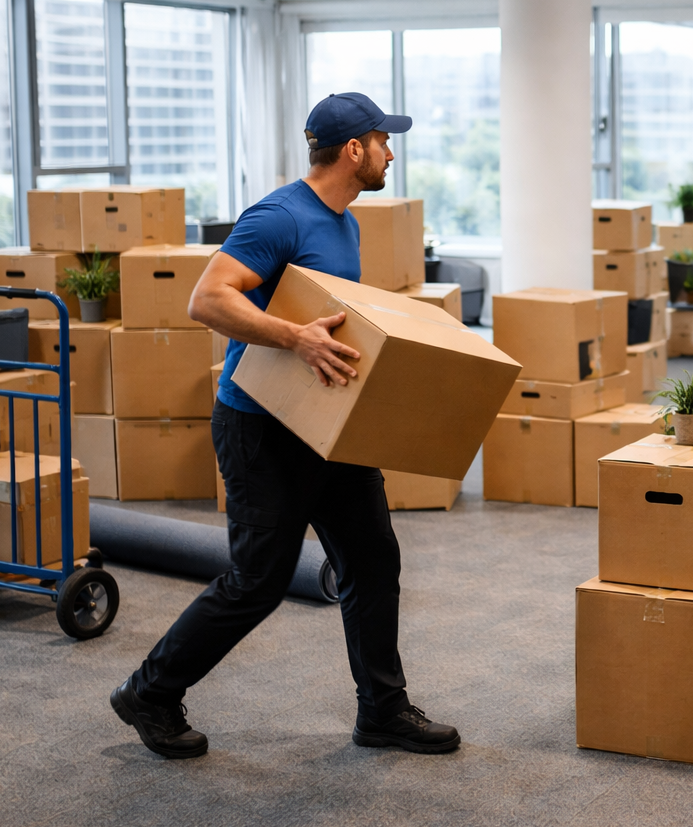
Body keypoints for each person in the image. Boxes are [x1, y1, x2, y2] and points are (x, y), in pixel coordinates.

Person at [109, 92, 460, 759]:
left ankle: (382, 711)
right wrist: (294, 339)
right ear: (354, 148)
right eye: (386, 140)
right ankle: (149, 691)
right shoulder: (280, 215)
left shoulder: (346, 224)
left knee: (372, 558)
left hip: (327, 424)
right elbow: (207, 299)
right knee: (258, 579)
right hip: (262, 430)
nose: (393, 152)